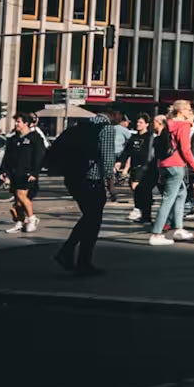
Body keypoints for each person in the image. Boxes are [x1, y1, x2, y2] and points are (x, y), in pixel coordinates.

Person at [55, 113, 115, 275]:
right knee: (93, 220)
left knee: (89, 217)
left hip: (73, 178)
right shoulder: (107, 129)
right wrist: (111, 185)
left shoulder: (80, 127)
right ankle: (79, 259)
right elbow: (107, 159)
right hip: (92, 180)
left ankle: (71, 254)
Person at [148, 100, 194, 245]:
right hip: (176, 164)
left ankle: (178, 228)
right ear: (181, 111)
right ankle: (156, 234)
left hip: (164, 164)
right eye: (188, 109)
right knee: (168, 198)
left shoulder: (168, 123)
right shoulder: (184, 125)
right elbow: (185, 149)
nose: (190, 112)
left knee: (181, 193)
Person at [1, 113, 47, 233]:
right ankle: (20, 222)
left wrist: (34, 173)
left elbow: (39, 157)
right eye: (16, 122)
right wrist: (4, 171)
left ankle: (32, 218)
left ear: (26, 123)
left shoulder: (35, 138)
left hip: (27, 173)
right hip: (14, 172)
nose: (16, 124)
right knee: (17, 201)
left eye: (19, 122)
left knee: (21, 195)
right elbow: (7, 156)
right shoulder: (13, 139)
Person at [123, 114, 158, 224]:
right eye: (137, 122)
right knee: (139, 191)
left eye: (141, 122)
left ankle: (142, 211)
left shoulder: (151, 137)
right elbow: (127, 151)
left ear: (147, 124)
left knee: (141, 189)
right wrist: (121, 163)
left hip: (146, 167)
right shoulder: (133, 137)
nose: (138, 124)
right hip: (135, 166)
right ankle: (144, 214)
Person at [100, 110, 132, 204]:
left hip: (108, 152)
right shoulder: (123, 129)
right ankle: (120, 173)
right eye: (127, 122)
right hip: (119, 152)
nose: (127, 124)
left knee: (109, 173)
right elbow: (130, 140)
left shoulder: (108, 128)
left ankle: (112, 186)